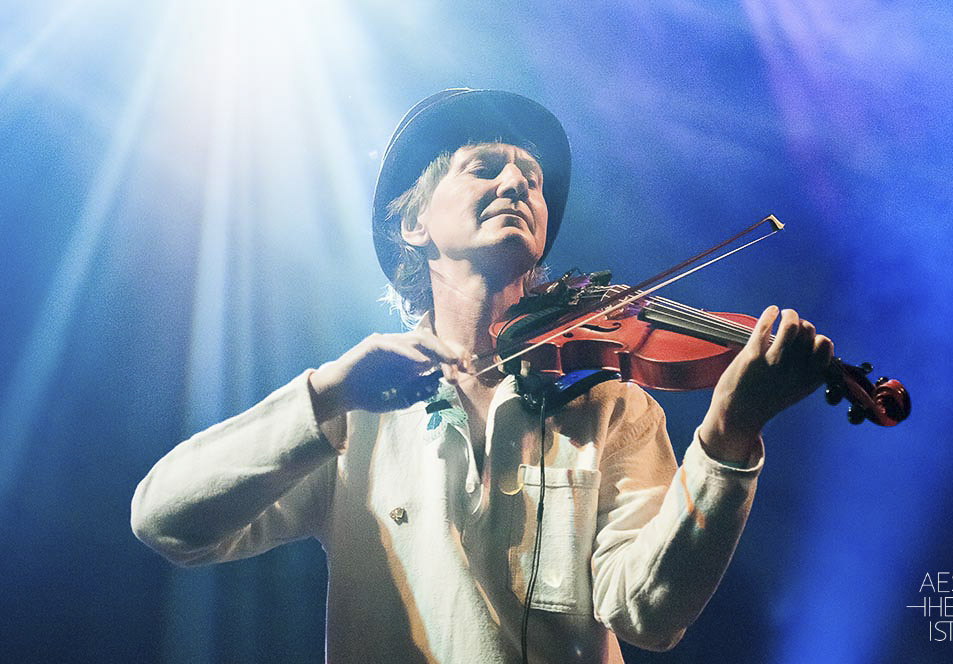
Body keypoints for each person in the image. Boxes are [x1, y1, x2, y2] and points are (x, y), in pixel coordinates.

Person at [131, 88, 833, 663]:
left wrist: (728, 437)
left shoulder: (610, 402)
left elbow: (648, 611)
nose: (517, 185)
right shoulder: (356, 409)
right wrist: (327, 396)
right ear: (414, 225)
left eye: (532, 181)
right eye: (485, 167)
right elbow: (166, 521)